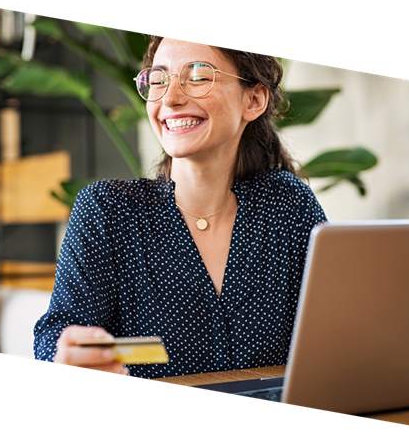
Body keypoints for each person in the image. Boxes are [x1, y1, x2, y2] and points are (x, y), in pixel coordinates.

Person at [33, 36, 327, 379]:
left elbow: (339, 331)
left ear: (254, 99)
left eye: (199, 76)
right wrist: (68, 355)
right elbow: (55, 338)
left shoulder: (287, 205)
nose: (170, 98)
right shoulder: (107, 211)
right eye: (158, 81)